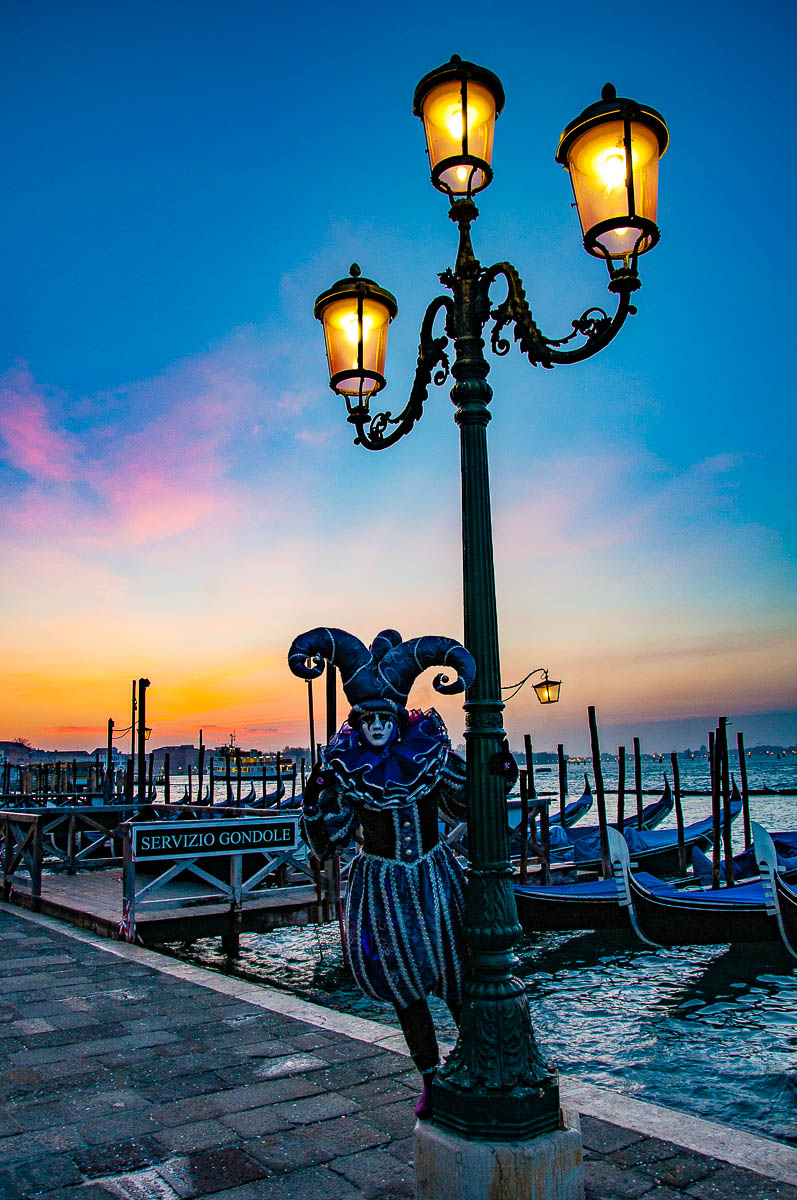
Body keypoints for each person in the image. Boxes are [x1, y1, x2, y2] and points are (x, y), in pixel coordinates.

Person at [288, 626, 516, 1119]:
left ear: (396, 719)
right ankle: (432, 1081)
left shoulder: (427, 757)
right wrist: (315, 801)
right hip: (382, 889)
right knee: (404, 987)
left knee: (461, 978)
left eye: (381, 717)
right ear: (358, 721)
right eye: (365, 718)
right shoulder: (349, 770)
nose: (373, 726)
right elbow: (333, 839)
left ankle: (474, 1063)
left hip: (436, 881)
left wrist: (497, 768)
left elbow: (468, 799)